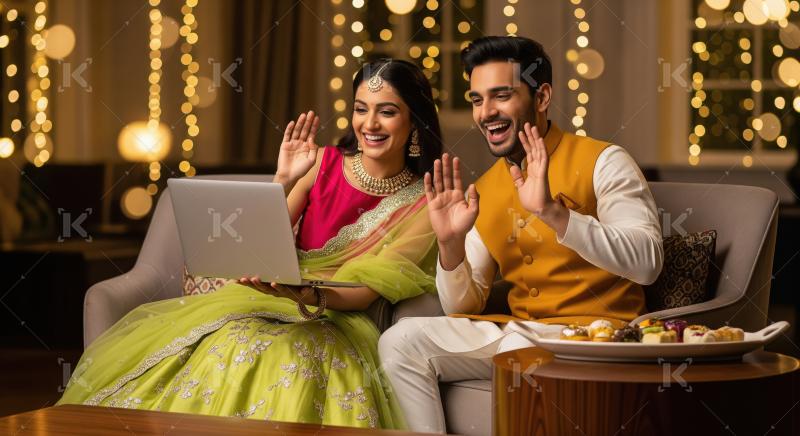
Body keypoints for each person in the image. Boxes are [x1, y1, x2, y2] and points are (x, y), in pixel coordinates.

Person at [58, 59, 443, 430]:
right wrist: (283, 179)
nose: (369, 123)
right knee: (225, 344)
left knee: (289, 357)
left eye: (387, 111)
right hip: (270, 297)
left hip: (339, 319)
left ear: (414, 121)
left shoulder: (425, 202)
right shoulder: (322, 164)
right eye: (361, 109)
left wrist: (306, 294)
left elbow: (362, 293)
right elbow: (261, 239)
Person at [378, 36, 664, 433]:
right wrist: (450, 243)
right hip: (518, 329)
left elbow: (647, 263)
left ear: (542, 96)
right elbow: (464, 303)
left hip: (597, 334)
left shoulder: (605, 160)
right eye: (477, 100)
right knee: (400, 339)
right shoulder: (487, 188)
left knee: (515, 351)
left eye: (501, 96)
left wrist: (553, 212)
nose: (486, 112)